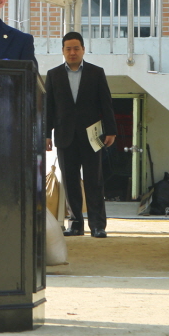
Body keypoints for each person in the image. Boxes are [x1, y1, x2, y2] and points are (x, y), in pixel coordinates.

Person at [45, 31, 116, 238]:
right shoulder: (53, 74)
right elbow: (49, 107)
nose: (73, 52)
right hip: (64, 135)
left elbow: (106, 103)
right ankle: (75, 224)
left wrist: (111, 130)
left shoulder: (96, 73)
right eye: (68, 49)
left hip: (92, 137)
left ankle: (97, 225)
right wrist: (46, 135)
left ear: (83, 49)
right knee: (70, 180)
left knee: (95, 180)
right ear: (63, 51)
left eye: (76, 48)